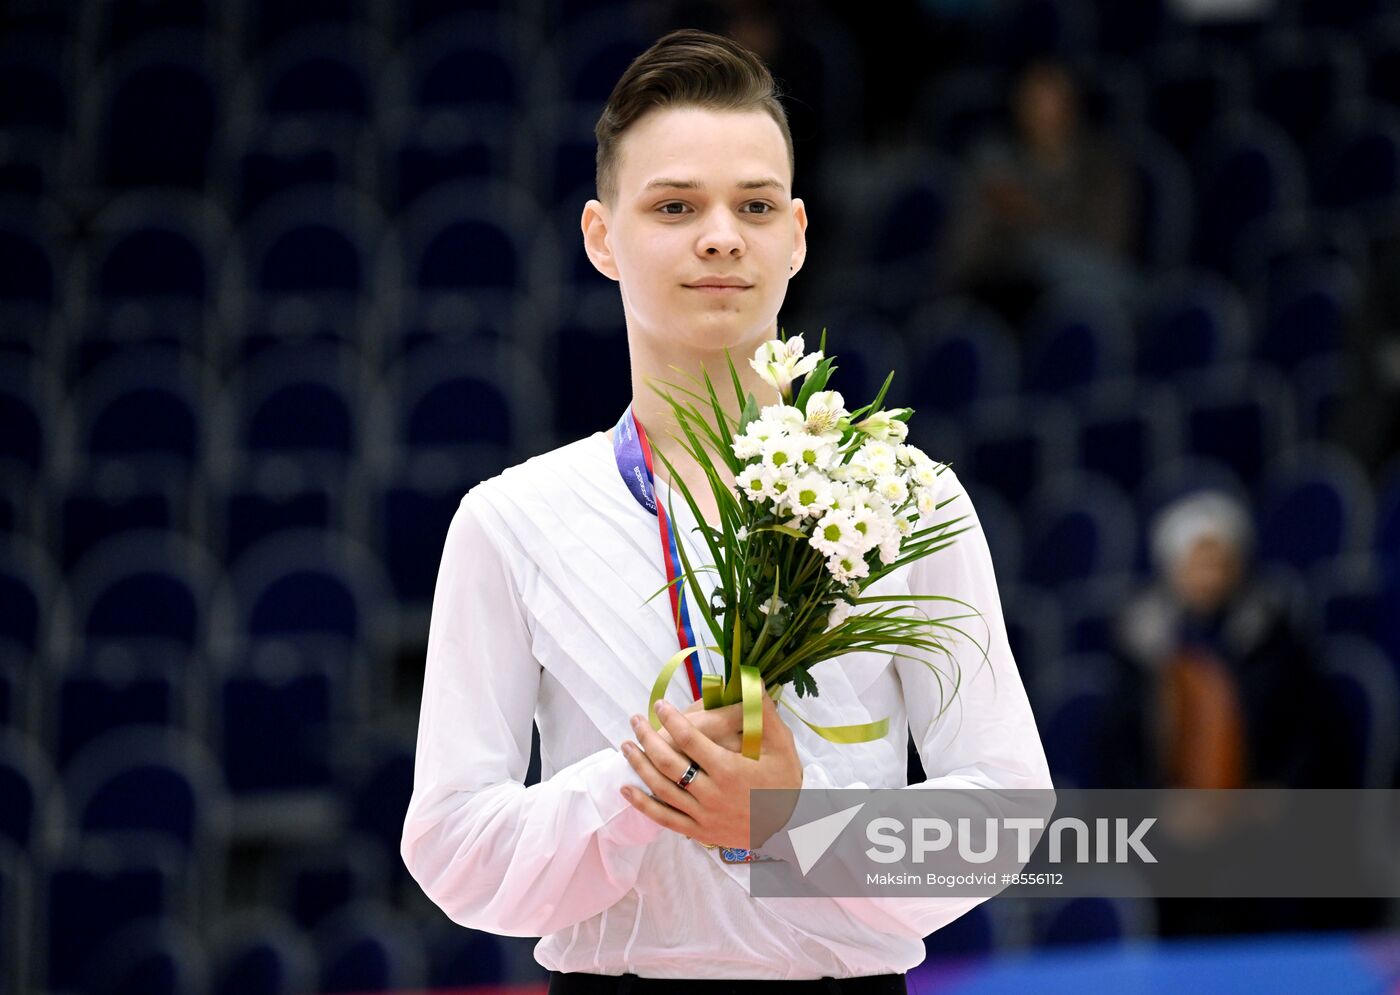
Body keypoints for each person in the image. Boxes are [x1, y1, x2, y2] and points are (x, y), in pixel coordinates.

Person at [400, 29, 1051, 992]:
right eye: (674, 206)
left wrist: (799, 826)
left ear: (795, 233)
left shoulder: (907, 497)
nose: (719, 235)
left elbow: (1005, 815)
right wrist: (636, 780)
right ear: (601, 236)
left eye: (752, 205)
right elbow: (452, 849)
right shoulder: (512, 521)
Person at [944, 58, 1138, 328]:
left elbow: (1106, 246)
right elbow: (964, 257)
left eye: (1048, 100)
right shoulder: (994, 163)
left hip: (1079, 291)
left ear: (1070, 105)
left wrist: (1030, 213)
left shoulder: (1102, 168)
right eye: (1030, 100)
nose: (1038, 111)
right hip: (1001, 292)